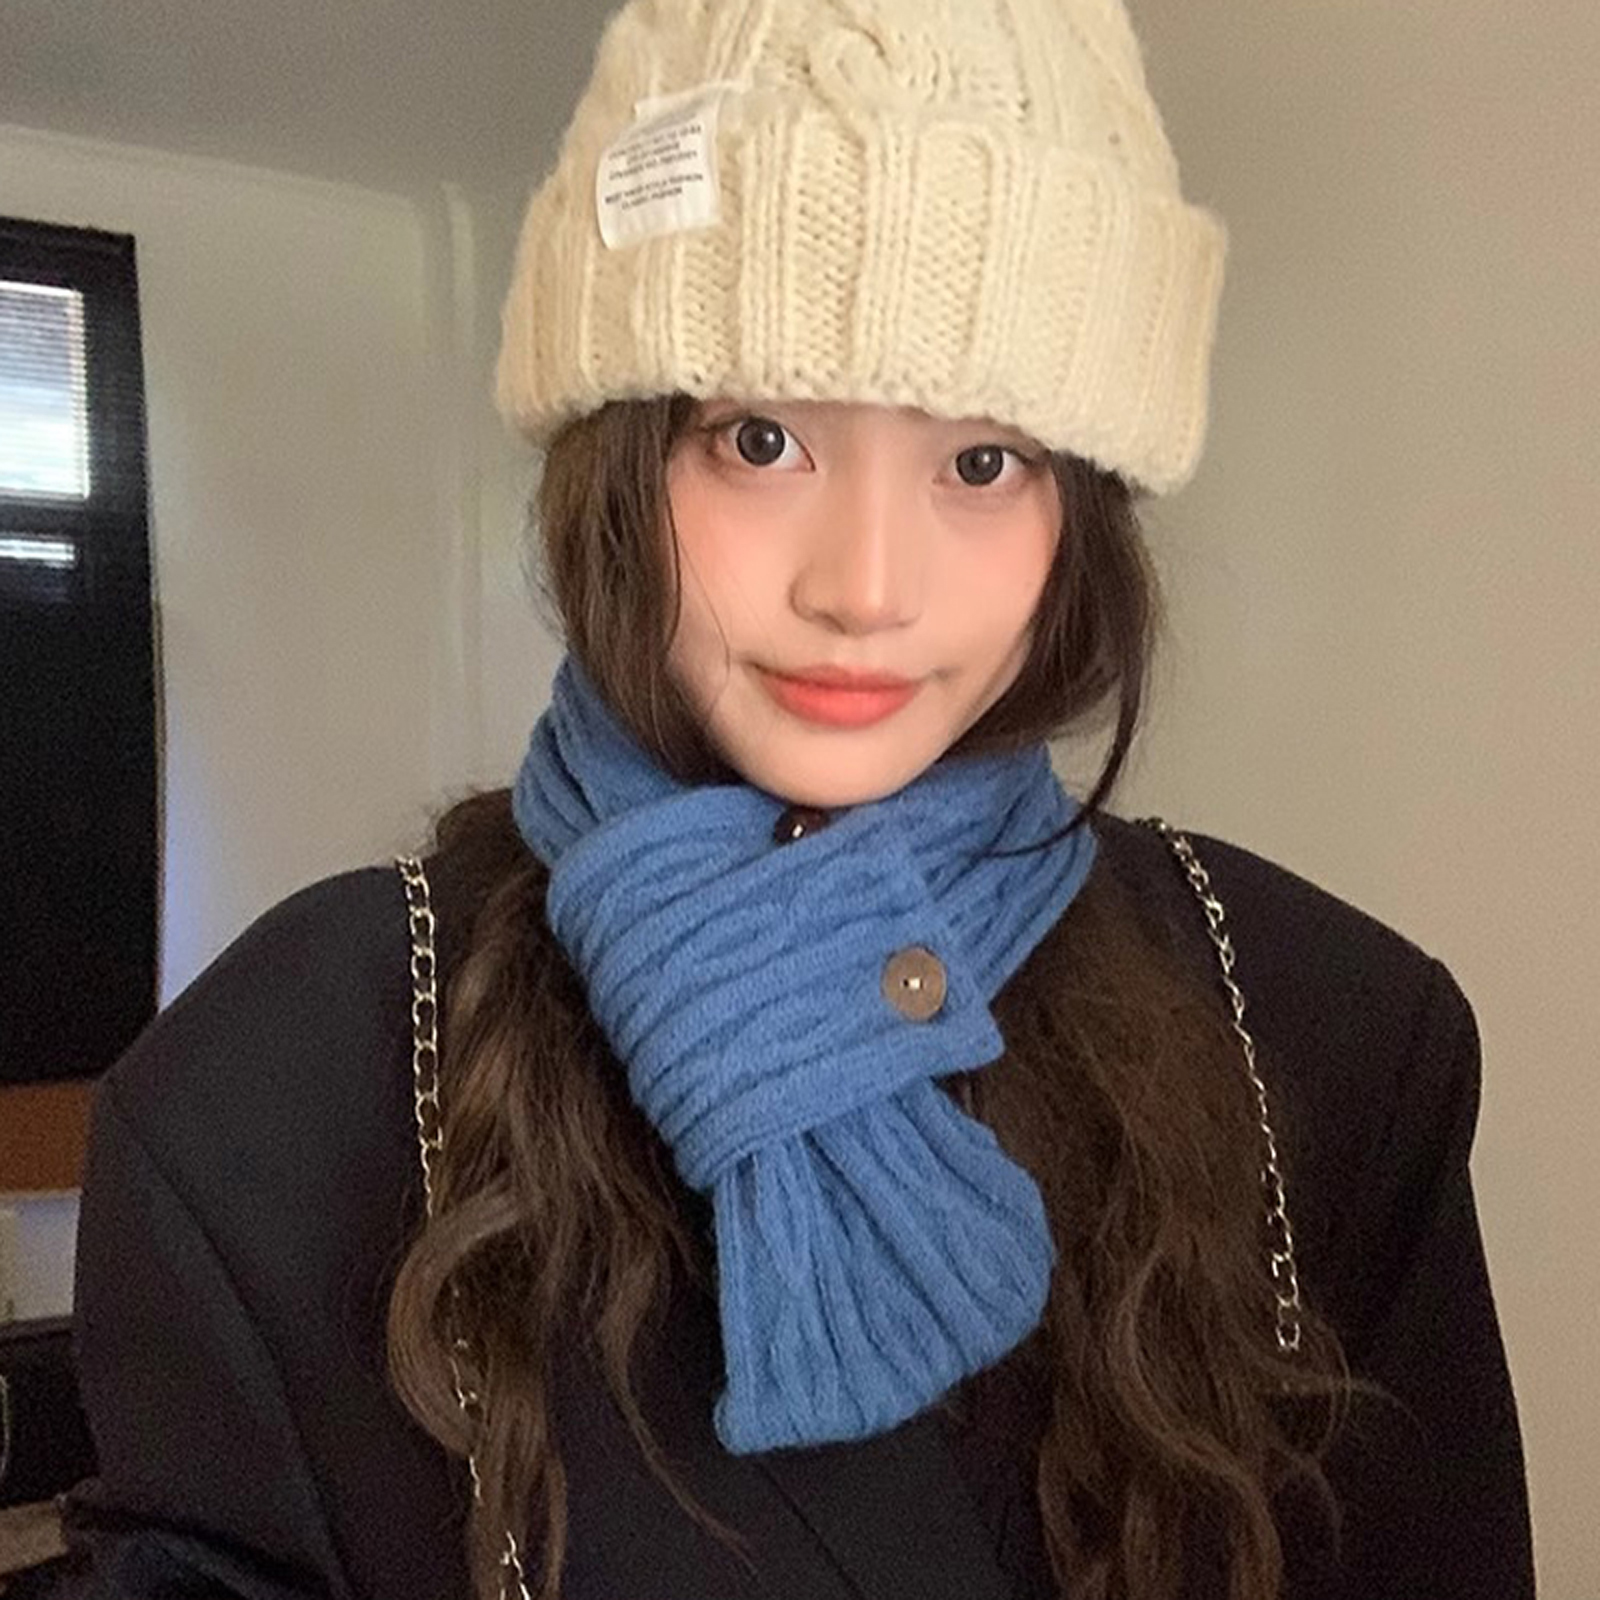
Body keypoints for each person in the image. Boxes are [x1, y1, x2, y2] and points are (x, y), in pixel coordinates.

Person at [63, 2, 1534, 1598]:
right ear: (616, 466)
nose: (867, 587)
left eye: (983, 462)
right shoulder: (281, 1104)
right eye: (759, 440)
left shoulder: (1321, 1038)